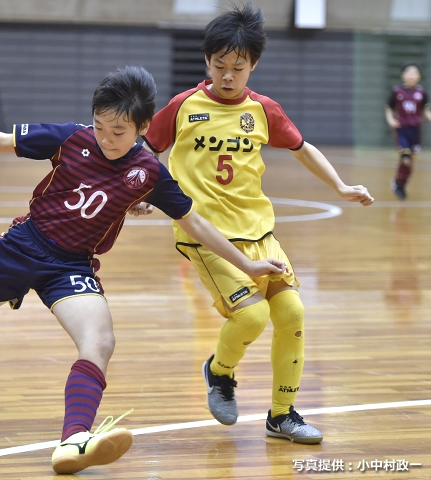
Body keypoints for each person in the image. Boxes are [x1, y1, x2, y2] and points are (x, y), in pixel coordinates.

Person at [0, 66, 287, 474]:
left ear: (143, 128)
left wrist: (247, 263)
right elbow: (3, 141)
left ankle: (73, 440)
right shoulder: (70, 138)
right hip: (24, 246)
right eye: (100, 127)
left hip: (72, 266)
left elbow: (195, 223)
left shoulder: (148, 172)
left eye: (119, 132)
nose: (107, 139)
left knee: (100, 341)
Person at [142, 3, 374, 445]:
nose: (228, 76)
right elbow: (143, 151)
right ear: (207, 62)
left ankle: (282, 416)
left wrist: (341, 186)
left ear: (253, 65)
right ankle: (220, 372)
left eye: (238, 67)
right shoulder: (182, 106)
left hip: (260, 233)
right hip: (205, 235)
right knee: (251, 316)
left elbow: (303, 148)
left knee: (292, 313)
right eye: (219, 66)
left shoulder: (264, 110)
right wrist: (138, 194)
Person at [385, 62, 431, 200]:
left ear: (419, 76)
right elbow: (388, 107)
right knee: (405, 159)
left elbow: (426, 110)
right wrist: (391, 120)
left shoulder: (422, 93)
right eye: (409, 73)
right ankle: (399, 184)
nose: (411, 76)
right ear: (403, 75)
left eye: (414, 73)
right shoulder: (397, 91)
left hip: (415, 131)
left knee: (410, 163)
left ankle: (399, 183)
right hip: (402, 130)